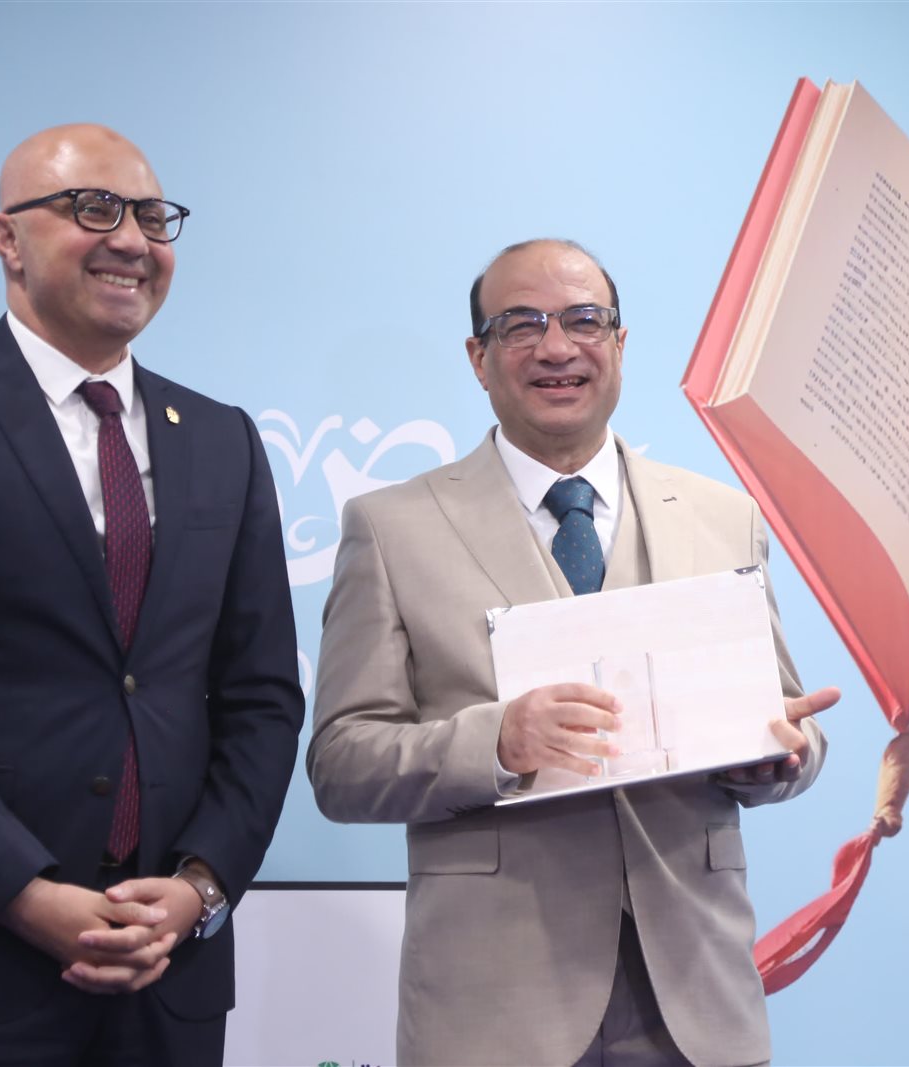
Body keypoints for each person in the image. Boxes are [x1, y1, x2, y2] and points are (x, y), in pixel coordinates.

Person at [0, 124, 303, 1066]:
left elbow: (264, 698)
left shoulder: (224, 439)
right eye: (94, 209)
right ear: (8, 238)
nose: (133, 240)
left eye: (152, 217)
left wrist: (199, 887)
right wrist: (22, 892)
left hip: (169, 979)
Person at [307, 238, 837, 1066]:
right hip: (495, 1008)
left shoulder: (723, 516)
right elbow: (342, 762)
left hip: (695, 1001)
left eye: (584, 320)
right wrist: (497, 742)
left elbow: (786, 723)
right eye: (522, 325)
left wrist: (780, 755)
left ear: (620, 344)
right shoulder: (390, 528)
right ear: (479, 358)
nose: (557, 347)